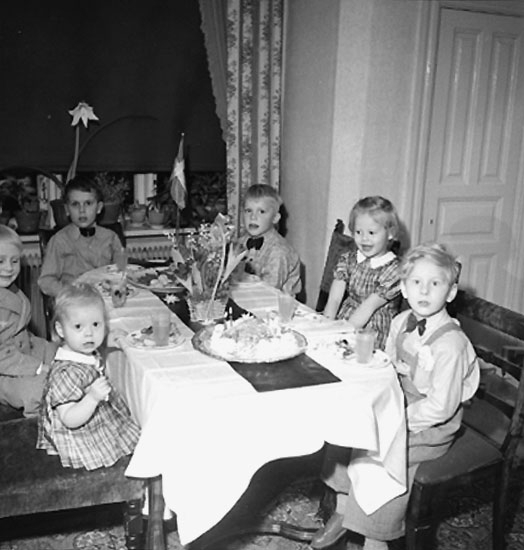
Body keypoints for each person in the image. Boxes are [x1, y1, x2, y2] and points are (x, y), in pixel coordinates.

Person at [312, 242, 480, 550]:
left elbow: (441, 408)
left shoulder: (451, 345)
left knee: (381, 456)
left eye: (435, 283)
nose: (424, 291)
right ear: (403, 287)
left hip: (430, 423)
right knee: (348, 420)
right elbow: (388, 365)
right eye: (416, 282)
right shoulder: (401, 322)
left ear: (451, 292)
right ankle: (342, 509)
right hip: (399, 399)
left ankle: (375, 538)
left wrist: (395, 420)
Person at [37, 282, 140, 470]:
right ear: (60, 330)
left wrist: (109, 340)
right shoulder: (66, 373)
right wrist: (92, 398)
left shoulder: (81, 349)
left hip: (93, 413)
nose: (89, 334)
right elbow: (69, 418)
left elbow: (95, 347)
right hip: (78, 430)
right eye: (78, 326)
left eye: (96, 324)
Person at [323, 196, 401, 349]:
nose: (364, 239)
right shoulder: (348, 259)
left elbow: (368, 307)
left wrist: (341, 335)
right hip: (345, 320)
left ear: (390, 233)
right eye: (358, 232)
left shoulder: (394, 270)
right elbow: (334, 299)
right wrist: (327, 325)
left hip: (372, 331)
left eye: (371, 233)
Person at [0, 225, 57, 416]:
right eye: (0, 261)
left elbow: (20, 332)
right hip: (4, 368)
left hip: (21, 350)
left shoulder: (11, 290)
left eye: (14, 261)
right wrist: (38, 367)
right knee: (38, 389)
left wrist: (46, 350)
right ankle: (41, 422)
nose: (9, 268)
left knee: (61, 354)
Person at [38, 175, 124, 298]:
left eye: (88, 203)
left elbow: (121, 271)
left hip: (105, 299)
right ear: (67, 209)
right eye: (75, 204)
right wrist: (69, 292)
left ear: (99, 208)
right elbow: (45, 281)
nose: (82, 210)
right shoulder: (59, 241)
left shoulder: (111, 238)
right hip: (73, 301)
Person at [237, 184, 301, 295]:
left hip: (274, 302)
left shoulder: (279, 251)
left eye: (261, 211)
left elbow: (268, 290)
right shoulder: (241, 242)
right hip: (247, 296)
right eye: (248, 211)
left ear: (275, 218)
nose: (253, 217)